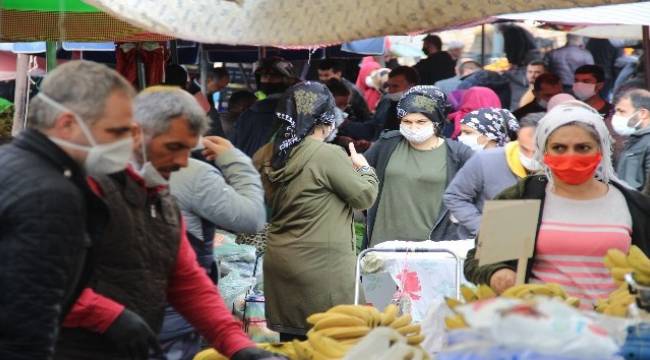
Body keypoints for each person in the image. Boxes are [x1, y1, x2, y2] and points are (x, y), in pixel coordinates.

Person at [55, 87, 274, 360]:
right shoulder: (77, 188)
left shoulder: (159, 197)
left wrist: (238, 345)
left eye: (188, 148)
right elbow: (36, 279)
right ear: (136, 134)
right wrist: (112, 317)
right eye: (174, 147)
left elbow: (187, 281)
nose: (183, 161)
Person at [0, 60, 131, 360]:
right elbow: (30, 316)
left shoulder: (10, 160)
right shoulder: (51, 194)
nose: (126, 143)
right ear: (67, 124)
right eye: (116, 131)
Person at [464, 101, 650, 308]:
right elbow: (479, 261)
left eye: (583, 148)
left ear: (601, 150)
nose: (571, 156)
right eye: (559, 148)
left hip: (614, 325)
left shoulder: (630, 204)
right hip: (538, 329)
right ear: (544, 151)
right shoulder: (525, 197)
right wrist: (498, 273)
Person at [262, 82, 379, 340]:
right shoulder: (327, 155)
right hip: (321, 267)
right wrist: (364, 169)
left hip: (281, 261)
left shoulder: (273, 152)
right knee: (328, 344)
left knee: (293, 345)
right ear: (327, 119)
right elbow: (364, 196)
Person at [160, 134, 266, 359]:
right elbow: (252, 217)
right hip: (169, 326)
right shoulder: (191, 172)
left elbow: (189, 282)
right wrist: (234, 161)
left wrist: (234, 342)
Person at [364, 86, 474, 247]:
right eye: (407, 121)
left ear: (436, 122)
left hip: (434, 248)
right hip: (382, 245)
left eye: (421, 121)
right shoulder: (388, 143)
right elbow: (360, 177)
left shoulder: (458, 154)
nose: (413, 127)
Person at [444, 113, 543, 238]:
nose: (530, 156)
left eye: (536, 152)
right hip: (486, 245)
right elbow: (454, 196)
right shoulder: (486, 160)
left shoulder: (561, 168)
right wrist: (483, 228)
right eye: (524, 149)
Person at [231, 57, 299, 156]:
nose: (268, 80)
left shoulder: (247, 115)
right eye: (264, 76)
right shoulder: (295, 113)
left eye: (273, 76)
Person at [613, 89, 650, 191]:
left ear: (642, 113)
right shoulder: (633, 140)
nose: (616, 116)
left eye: (622, 111)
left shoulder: (647, 142)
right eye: (616, 111)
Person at [373, 66, 420, 134]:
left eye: (395, 86)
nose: (390, 90)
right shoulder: (387, 102)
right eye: (389, 86)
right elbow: (374, 126)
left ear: (411, 87)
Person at [205, 67, 231, 136]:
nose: (219, 90)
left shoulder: (209, 95)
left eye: (222, 88)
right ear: (209, 79)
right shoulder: (191, 91)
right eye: (219, 86)